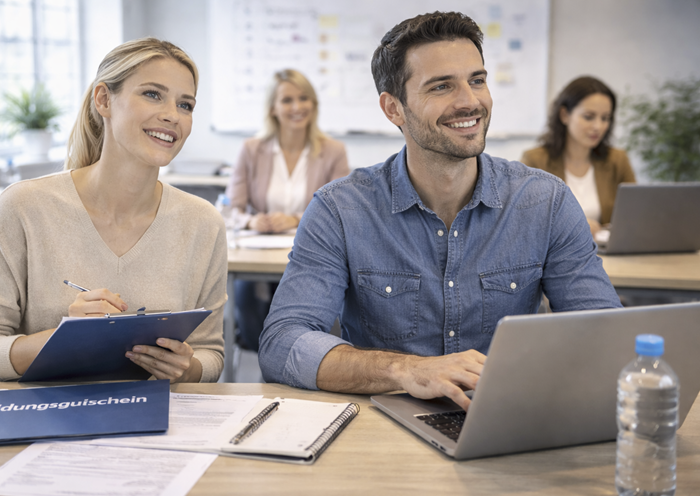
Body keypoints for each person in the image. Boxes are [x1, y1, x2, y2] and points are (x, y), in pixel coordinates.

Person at [258, 12, 622, 411]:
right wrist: (406, 370)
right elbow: (283, 342)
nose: (470, 101)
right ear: (394, 109)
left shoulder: (545, 201)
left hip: (504, 420)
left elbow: (604, 334)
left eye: (477, 80)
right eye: (442, 86)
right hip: (381, 432)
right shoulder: (340, 209)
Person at [0, 38, 227, 382]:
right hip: (44, 421)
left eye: (185, 105)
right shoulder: (23, 207)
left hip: (159, 424)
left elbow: (211, 354)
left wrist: (187, 367)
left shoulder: (204, 223)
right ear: (103, 99)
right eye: (152, 94)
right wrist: (60, 340)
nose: (173, 115)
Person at [227, 69, 350, 351]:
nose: (297, 107)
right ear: (273, 108)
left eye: (304, 98)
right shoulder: (251, 150)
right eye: (287, 100)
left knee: (320, 311)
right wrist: (252, 221)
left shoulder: (333, 151)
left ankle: (303, 359)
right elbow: (230, 210)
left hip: (313, 255)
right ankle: (263, 358)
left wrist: (294, 219)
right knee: (245, 297)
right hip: (258, 255)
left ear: (314, 104)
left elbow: (343, 212)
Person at [521, 76, 636, 235]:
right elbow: (524, 219)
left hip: (606, 255)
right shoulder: (535, 161)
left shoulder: (617, 160)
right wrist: (573, 225)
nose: (598, 126)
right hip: (554, 257)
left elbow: (635, 215)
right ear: (564, 115)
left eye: (605, 118)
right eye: (589, 117)